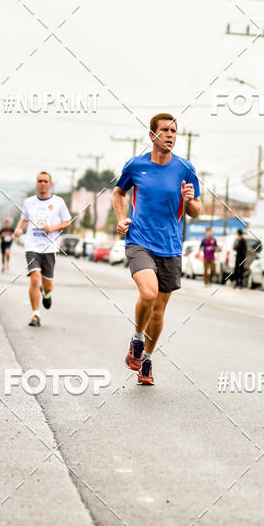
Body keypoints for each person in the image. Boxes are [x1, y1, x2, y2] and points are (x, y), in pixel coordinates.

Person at [113, 113, 201, 386]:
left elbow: (197, 210)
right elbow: (118, 192)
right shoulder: (136, 165)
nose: (170, 135)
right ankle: (137, 340)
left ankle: (147, 360)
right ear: (152, 135)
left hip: (171, 247)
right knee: (148, 293)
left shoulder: (185, 169)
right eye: (165, 130)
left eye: (174, 131)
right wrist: (121, 219)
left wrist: (189, 200)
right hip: (139, 241)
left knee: (159, 311)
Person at [13, 172, 71, 327]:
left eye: (45, 181)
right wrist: (19, 229)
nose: (42, 183)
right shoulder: (29, 202)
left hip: (50, 247)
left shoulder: (58, 202)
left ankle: (46, 294)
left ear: (50, 184)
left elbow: (67, 222)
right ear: (36, 184)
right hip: (32, 245)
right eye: (40, 181)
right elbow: (24, 220)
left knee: (47, 285)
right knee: (34, 277)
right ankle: (35, 314)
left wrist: (53, 227)